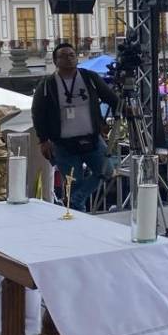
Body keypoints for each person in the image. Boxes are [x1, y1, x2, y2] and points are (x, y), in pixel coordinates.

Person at [31, 43, 121, 210]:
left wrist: (115, 118)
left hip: (92, 139)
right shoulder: (47, 85)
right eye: (64, 56)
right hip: (62, 143)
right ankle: (78, 212)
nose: (69, 58)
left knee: (107, 170)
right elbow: (38, 113)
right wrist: (43, 140)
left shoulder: (90, 78)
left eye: (72, 55)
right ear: (55, 61)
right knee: (74, 180)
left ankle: (75, 200)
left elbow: (111, 98)